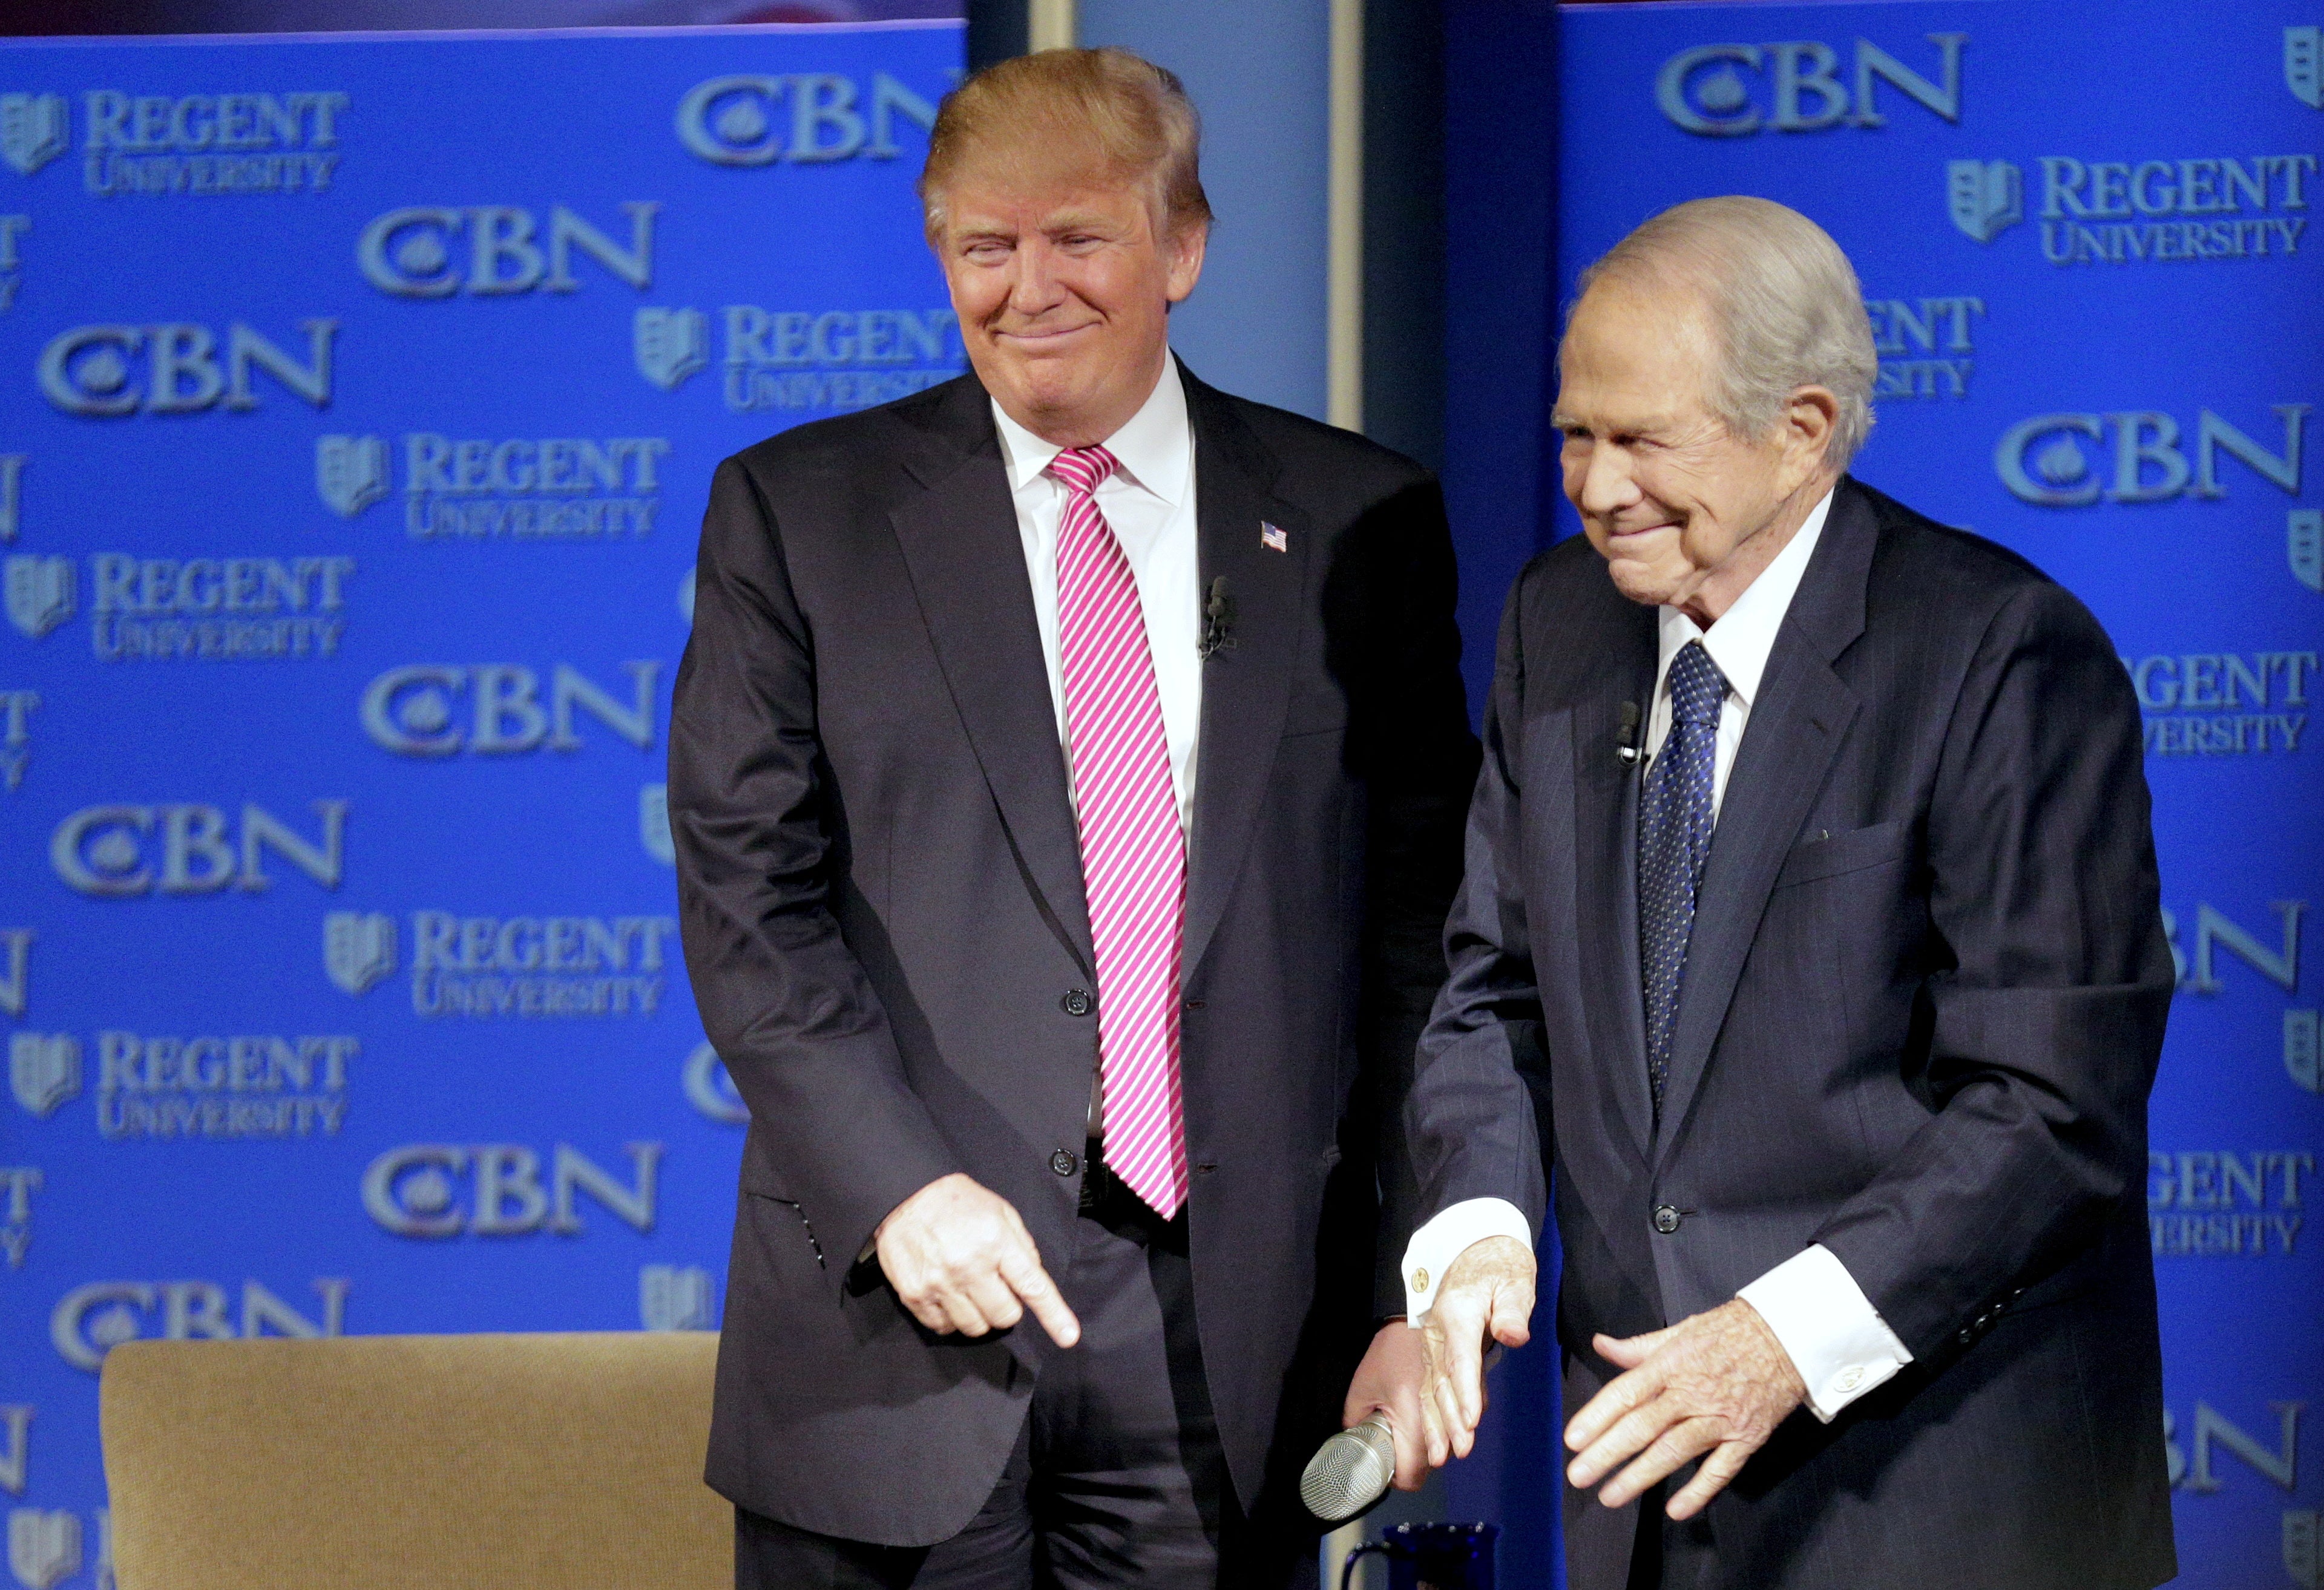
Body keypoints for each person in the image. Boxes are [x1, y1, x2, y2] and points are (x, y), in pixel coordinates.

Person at [668, 47, 1478, 1589]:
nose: (1026, 287)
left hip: (1225, 1335)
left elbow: (1417, 944)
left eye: (1077, 238)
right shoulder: (798, 515)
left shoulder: (1358, 519)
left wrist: (1404, 1281)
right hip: (892, 1317)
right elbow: (748, 904)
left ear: (1182, 246)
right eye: (985, 245)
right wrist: (895, 1185)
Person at [1380, 196, 2175, 1589]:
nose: (1595, 483)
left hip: (1937, 1484)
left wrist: (1776, 1345)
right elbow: (1493, 989)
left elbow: (2052, 1105)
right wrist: (1481, 1230)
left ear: (1802, 430)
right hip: (1650, 1485)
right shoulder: (1556, 625)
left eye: (1644, 440)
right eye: (1577, 430)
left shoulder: (1998, 656)